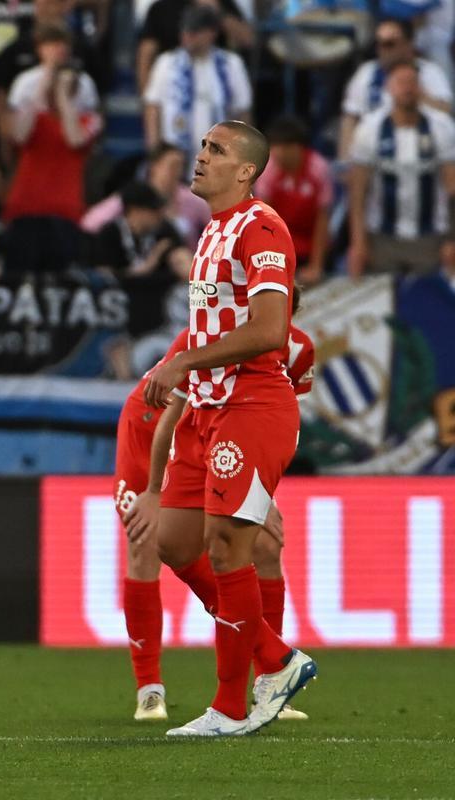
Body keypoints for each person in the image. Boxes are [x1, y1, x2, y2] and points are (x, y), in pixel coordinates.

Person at [138, 120, 317, 737]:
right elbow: (215, 327)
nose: (201, 156)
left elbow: (271, 330)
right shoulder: (212, 232)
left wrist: (184, 361)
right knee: (174, 542)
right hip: (206, 408)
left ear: (246, 170)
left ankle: (231, 707)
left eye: (216, 150)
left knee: (227, 546)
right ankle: (276, 657)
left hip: (252, 404)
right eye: (203, 146)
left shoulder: (262, 228)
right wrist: (181, 366)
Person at [118, 298, 316, 724]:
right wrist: (153, 490)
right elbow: (172, 415)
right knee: (146, 544)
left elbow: (268, 423)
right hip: (151, 430)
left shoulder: (298, 351)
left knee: (263, 544)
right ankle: (150, 691)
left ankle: (271, 682)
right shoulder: (208, 339)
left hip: (215, 436)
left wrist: (263, 494)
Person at [347, 60, 455, 278]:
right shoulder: (369, 129)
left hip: (430, 237)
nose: (407, 88)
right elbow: (358, 193)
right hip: (382, 238)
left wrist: (452, 240)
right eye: (401, 82)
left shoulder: (441, 127)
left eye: (412, 82)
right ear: (388, 87)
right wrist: (358, 243)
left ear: (421, 88)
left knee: (430, 306)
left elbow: (452, 188)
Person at [2, 21, 101, 224]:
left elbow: (76, 141)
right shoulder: (25, 83)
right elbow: (19, 136)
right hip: (26, 203)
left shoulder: (86, 93)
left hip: (66, 205)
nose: (59, 50)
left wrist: (64, 96)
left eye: (62, 44)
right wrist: (44, 81)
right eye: (52, 44)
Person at [142, 6, 251, 160]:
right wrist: (154, 150)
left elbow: (242, 112)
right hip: (175, 159)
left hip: (218, 158)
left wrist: (241, 155)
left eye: (193, 32)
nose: (187, 37)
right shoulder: (166, 63)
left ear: (211, 33)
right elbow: (152, 107)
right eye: (184, 31)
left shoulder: (231, 64)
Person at [338, 17, 452, 161]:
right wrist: (344, 161)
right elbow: (350, 119)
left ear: (408, 45)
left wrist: (415, 91)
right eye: (378, 44)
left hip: (424, 152)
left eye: (389, 44)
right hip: (374, 155)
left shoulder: (429, 72)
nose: (381, 50)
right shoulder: (366, 73)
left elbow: (445, 112)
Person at [254, 116, 333, 286]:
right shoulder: (268, 170)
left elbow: (322, 219)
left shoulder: (319, 168)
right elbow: (265, 221)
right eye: (273, 146)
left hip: (310, 242)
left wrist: (316, 265)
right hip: (282, 243)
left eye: (282, 147)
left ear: (297, 147)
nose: (277, 153)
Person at [81, 142, 211, 242]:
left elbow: (218, 223)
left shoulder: (191, 197)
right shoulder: (136, 194)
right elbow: (91, 222)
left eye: (181, 166)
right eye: (172, 165)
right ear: (154, 166)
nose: (177, 172)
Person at [88, 181, 191, 279]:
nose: (159, 214)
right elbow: (104, 275)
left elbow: (184, 261)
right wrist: (148, 265)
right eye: (153, 209)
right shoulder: (110, 234)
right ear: (134, 211)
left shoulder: (165, 230)